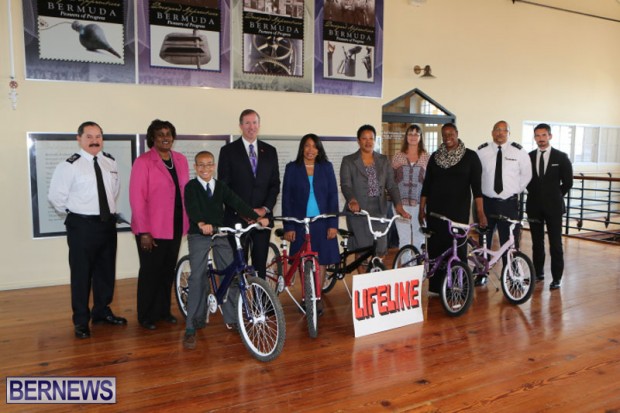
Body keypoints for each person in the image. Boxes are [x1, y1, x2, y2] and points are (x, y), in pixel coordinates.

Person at [48, 121, 127, 339]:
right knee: (82, 274)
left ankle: (101, 312)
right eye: (89, 136)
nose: (94, 141)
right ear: (79, 139)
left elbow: (113, 191)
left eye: (98, 136)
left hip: (107, 224)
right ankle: (81, 321)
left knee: (106, 271)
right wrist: (76, 215)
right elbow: (56, 197)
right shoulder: (69, 165)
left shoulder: (109, 162)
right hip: (82, 226)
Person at [183, 151, 268, 350]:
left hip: (220, 233)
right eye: (201, 165)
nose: (205, 168)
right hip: (199, 234)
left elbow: (236, 202)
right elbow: (192, 208)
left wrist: (256, 218)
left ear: (214, 167)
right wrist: (201, 223)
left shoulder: (220, 186)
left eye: (209, 164)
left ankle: (233, 318)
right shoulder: (191, 187)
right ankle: (191, 325)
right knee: (197, 278)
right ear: (195, 167)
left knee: (232, 274)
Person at [129, 119, 190, 330]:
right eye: (160, 134)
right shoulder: (143, 162)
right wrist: (144, 231)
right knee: (150, 272)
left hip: (175, 225)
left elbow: (185, 192)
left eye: (168, 134)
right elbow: (137, 199)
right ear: (152, 139)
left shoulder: (181, 160)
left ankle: (164, 311)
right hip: (151, 229)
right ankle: (146, 315)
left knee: (167, 271)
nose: (165, 138)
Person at [419, 123, 487, 293]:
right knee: (436, 248)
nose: (448, 137)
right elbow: (427, 185)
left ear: (457, 133)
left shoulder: (471, 157)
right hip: (435, 212)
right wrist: (421, 209)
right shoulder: (435, 157)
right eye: (444, 134)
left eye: (451, 133)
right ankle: (437, 287)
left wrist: (480, 213)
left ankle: (458, 287)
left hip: (458, 211)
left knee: (458, 248)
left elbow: (477, 189)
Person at [217, 109, 280, 280]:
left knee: (260, 266)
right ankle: (241, 298)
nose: (251, 127)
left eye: (254, 123)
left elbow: (274, 185)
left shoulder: (270, 151)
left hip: (262, 219)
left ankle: (262, 298)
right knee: (239, 267)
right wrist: (243, 211)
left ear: (259, 125)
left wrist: (264, 209)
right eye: (247, 123)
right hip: (237, 218)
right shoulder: (228, 151)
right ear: (240, 126)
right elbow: (224, 187)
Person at [282, 134, 339, 315]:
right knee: (303, 261)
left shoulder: (326, 167)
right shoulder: (292, 168)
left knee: (321, 260)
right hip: (300, 223)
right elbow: (286, 199)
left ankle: (317, 297)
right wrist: (289, 226)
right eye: (307, 146)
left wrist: (333, 223)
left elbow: (333, 196)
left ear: (319, 149)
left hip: (322, 222)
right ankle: (307, 296)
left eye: (314, 146)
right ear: (302, 148)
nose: (310, 150)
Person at [340, 124, 411, 263]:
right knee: (362, 249)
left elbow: (391, 185)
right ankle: (363, 277)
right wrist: (352, 200)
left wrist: (399, 206)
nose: (368, 142)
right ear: (358, 140)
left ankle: (376, 273)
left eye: (371, 138)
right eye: (364, 138)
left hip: (379, 210)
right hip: (358, 211)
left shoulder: (383, 160)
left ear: (374, 140)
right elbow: (346, 185)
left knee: (380, 248)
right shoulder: (349, 161)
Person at [475, 120, 532, 286]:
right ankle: (482, 273)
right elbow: (476, 175)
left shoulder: (519, 152)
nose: (500, 133)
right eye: (497, 130)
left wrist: (513, 190)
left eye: (504, 130)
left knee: (510, 241)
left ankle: (512, 276)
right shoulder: (482, 151)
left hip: (509, 204)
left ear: (508, 133)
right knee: (484, 240)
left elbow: (526, 175)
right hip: (487, 203)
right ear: (492, 132)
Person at [526, 123, 573, 290]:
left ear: (550, 136)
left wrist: (555, 196)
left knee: (556, 244)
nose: (541, 139)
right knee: (536, 243)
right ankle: (538, 273)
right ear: (534, 138)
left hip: (554, 207)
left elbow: (568, 182)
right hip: (534, 206)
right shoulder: (529, 157)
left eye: (544, 135)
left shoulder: (561, 157)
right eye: (537, 136)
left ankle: (557, 278)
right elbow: (525, 179)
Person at [391, 124, 430, 251]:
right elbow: (391, 181)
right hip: (400, 205)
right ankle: (406, 263)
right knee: (404, 239)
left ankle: (417, 263)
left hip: (420, 205)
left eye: (416, 134)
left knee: (419, 238)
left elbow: (430, 182)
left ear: (420, 137)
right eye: (410, 134)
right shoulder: (398, 156)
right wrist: (395, 202)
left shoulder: (427, 157)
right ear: (406, 136)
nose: (413, 137)